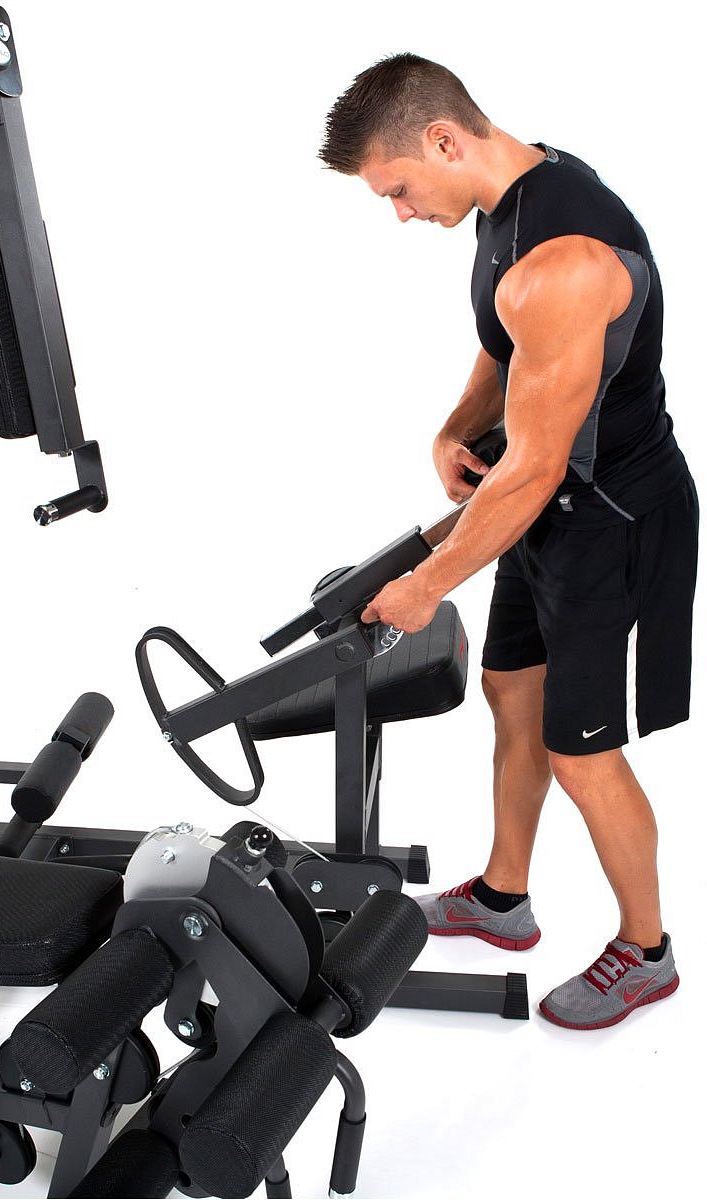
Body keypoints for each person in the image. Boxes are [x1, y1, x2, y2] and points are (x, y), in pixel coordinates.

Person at [319, 53, 698, 1029]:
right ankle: (503, 898)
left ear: (443, 140)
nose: (400, 213)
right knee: (511, 692)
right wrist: (452, 430)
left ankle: (647, 952)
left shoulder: (564, 263)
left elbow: (531, 468)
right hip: (547, 509)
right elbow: (503, 347)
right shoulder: (509, 207)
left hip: (611, 520)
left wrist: (429, 582)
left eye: (398, 189)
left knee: (584, 753)